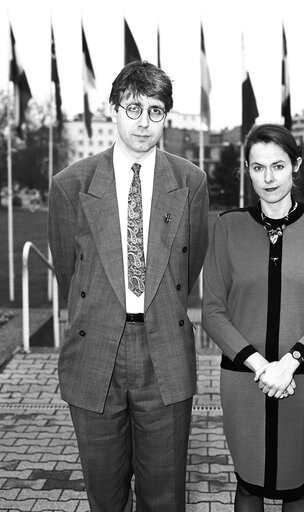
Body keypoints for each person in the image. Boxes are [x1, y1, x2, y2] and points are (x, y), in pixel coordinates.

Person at [48, 61, 209, 511]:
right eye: (133, 108)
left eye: (155, 111)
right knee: (105, 495)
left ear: (166, 117)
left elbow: (188, 266)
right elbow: (69, 271)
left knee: (165, 496)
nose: (144, 122)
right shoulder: (71, 185)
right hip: (96, 350)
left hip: (165, 354)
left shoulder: (190, 182)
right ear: (113, 111)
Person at [202, 124, 304, 511]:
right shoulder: (228, 226)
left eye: (278, 166)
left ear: (296, 166)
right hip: (243, 379)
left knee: (296, 486)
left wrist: (289, 364)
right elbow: (213, 312)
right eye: (257, 168)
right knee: (249, 484)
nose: (268, 178)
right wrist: (260, 366)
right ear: (247, 170)